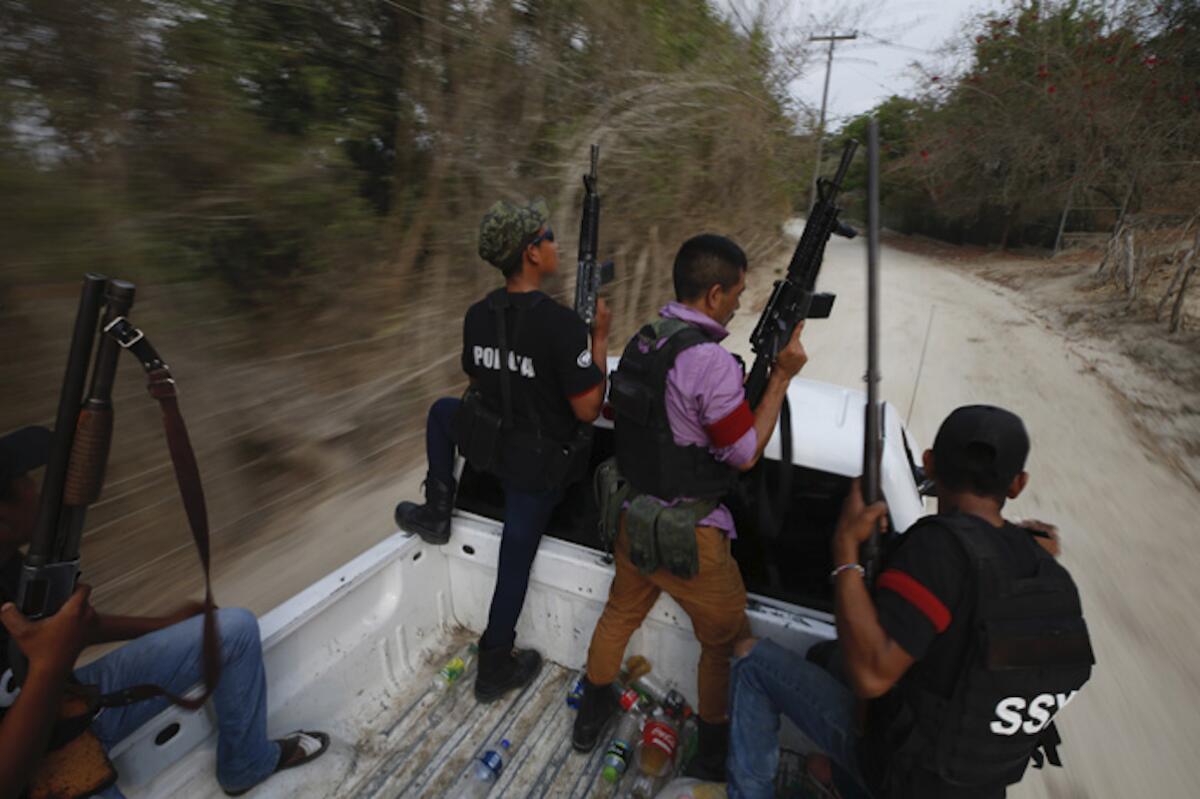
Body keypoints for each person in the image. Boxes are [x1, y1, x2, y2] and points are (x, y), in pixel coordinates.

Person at [724, 405, 1093, 799]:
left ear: (930, 464)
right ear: (1017, 484)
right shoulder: (1051, 577)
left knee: (751, 661)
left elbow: (871, 675)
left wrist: (846, 548)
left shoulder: (936, 550)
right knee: (824, 656)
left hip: (900, 775)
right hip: (977, 782)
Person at [572, 234, 808, 780]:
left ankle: (593, 711)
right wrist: (779, 379)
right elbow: (744, 453)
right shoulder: (710, 363)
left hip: (632, 519)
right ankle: (712, 749)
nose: (741, 304)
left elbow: (620, 409)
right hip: (691, 535)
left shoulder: (644, 341)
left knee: (619, 614)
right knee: (722, 640)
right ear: (715, 293)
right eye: (738, 294)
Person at [0, 425, 329, 798]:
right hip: (35, 769)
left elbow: (73, 632)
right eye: (24, 482)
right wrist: (47, 668)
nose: (37, 491)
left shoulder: (14, 566)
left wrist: (167, 623)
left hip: (69, 701)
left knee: (230, 630)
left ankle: (246, 764)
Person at [395, 198, 611, 703]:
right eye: (549, 235)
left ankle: (438, 508)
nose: (556, 243)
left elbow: (482, 378)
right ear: (531, 254)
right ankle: (494, 665)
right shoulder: (560, 326)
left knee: (442, 413)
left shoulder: (477, 315)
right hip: (537, 466)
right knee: (515, 558)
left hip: (492, 444)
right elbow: (588, 409)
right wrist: (598, 338)